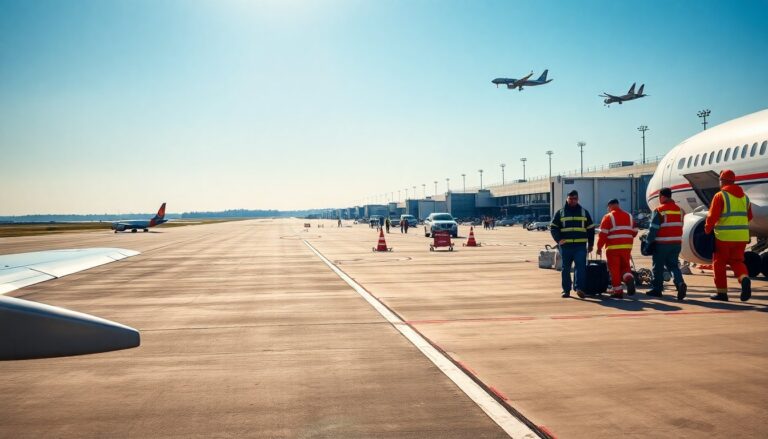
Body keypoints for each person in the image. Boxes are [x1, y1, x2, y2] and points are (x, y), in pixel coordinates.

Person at [705, 169, 753, 302]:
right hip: (741, 237)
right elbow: (749, 216)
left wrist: (707, 230)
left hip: (723, 237)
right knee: (737, 261)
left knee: (719, 263)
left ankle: (722, 293)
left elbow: (712, 217)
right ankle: (744, 279)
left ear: (722, 181)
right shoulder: (745, 197)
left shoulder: (720, 196)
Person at [550, 190, 595, 298]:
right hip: (566, 247)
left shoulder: (584, 212)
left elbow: (590, 229)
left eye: (575, 198)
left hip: (580, 246)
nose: (573, 201)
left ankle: (579, 288)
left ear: (578, 199)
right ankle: (566, 290)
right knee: (566, 269)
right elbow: (553, 227)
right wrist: (558, 240)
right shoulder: (560, 212)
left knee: (581, 267)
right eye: (570, 199)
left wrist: (591, 244)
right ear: (567, 199)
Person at [645, 187, 687, 300]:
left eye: (659, 197)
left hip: (662, 244)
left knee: (658, 267)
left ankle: (657, 290)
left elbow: (653, 229)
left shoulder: (659, 210)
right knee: (673, 266)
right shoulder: (680, 210)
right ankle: (679, 283)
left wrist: (647, 242)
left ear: (663, 197)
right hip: (676, 243)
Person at [596, 199, 638, 299]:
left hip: (613, 248)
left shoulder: (608, 217)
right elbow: (635, 232)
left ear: (610, 206)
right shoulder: (629, 216)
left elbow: (603, 234)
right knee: (625, 267)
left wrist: (599, 247)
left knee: (614, 270)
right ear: (618, 205)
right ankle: (629, 278)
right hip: (627, 248)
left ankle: (618, 291)